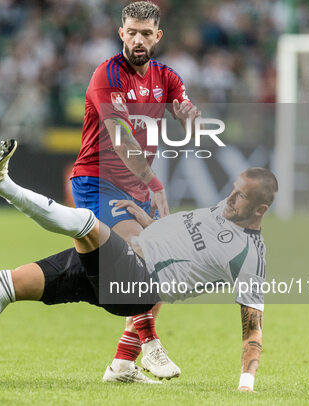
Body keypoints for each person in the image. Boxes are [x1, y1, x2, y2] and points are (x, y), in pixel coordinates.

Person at [0, 139, 276, 391]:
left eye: (240, 197)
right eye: (232, 190)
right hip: (117, 266)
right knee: (5, 284)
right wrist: (143, 219)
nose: (229, 199)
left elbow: (252, 330)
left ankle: (1, 184)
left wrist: (246, 385)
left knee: (86, 223)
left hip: (136, 289)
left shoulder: (249, 257)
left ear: (260, 208)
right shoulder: (218, 215)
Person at [71, 1, 200, 382]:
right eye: (132, 32)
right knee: (145, 252)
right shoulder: (107, 75)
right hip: (97, 182)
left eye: (146, 33)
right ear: (121, 34)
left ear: (157, 36)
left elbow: (184, 109)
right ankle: (150, 344)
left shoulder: (167, 77)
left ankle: (123, 363)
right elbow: (121, 138)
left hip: (136, 187)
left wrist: (191, 117)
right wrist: (155, 183)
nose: (138, 39)